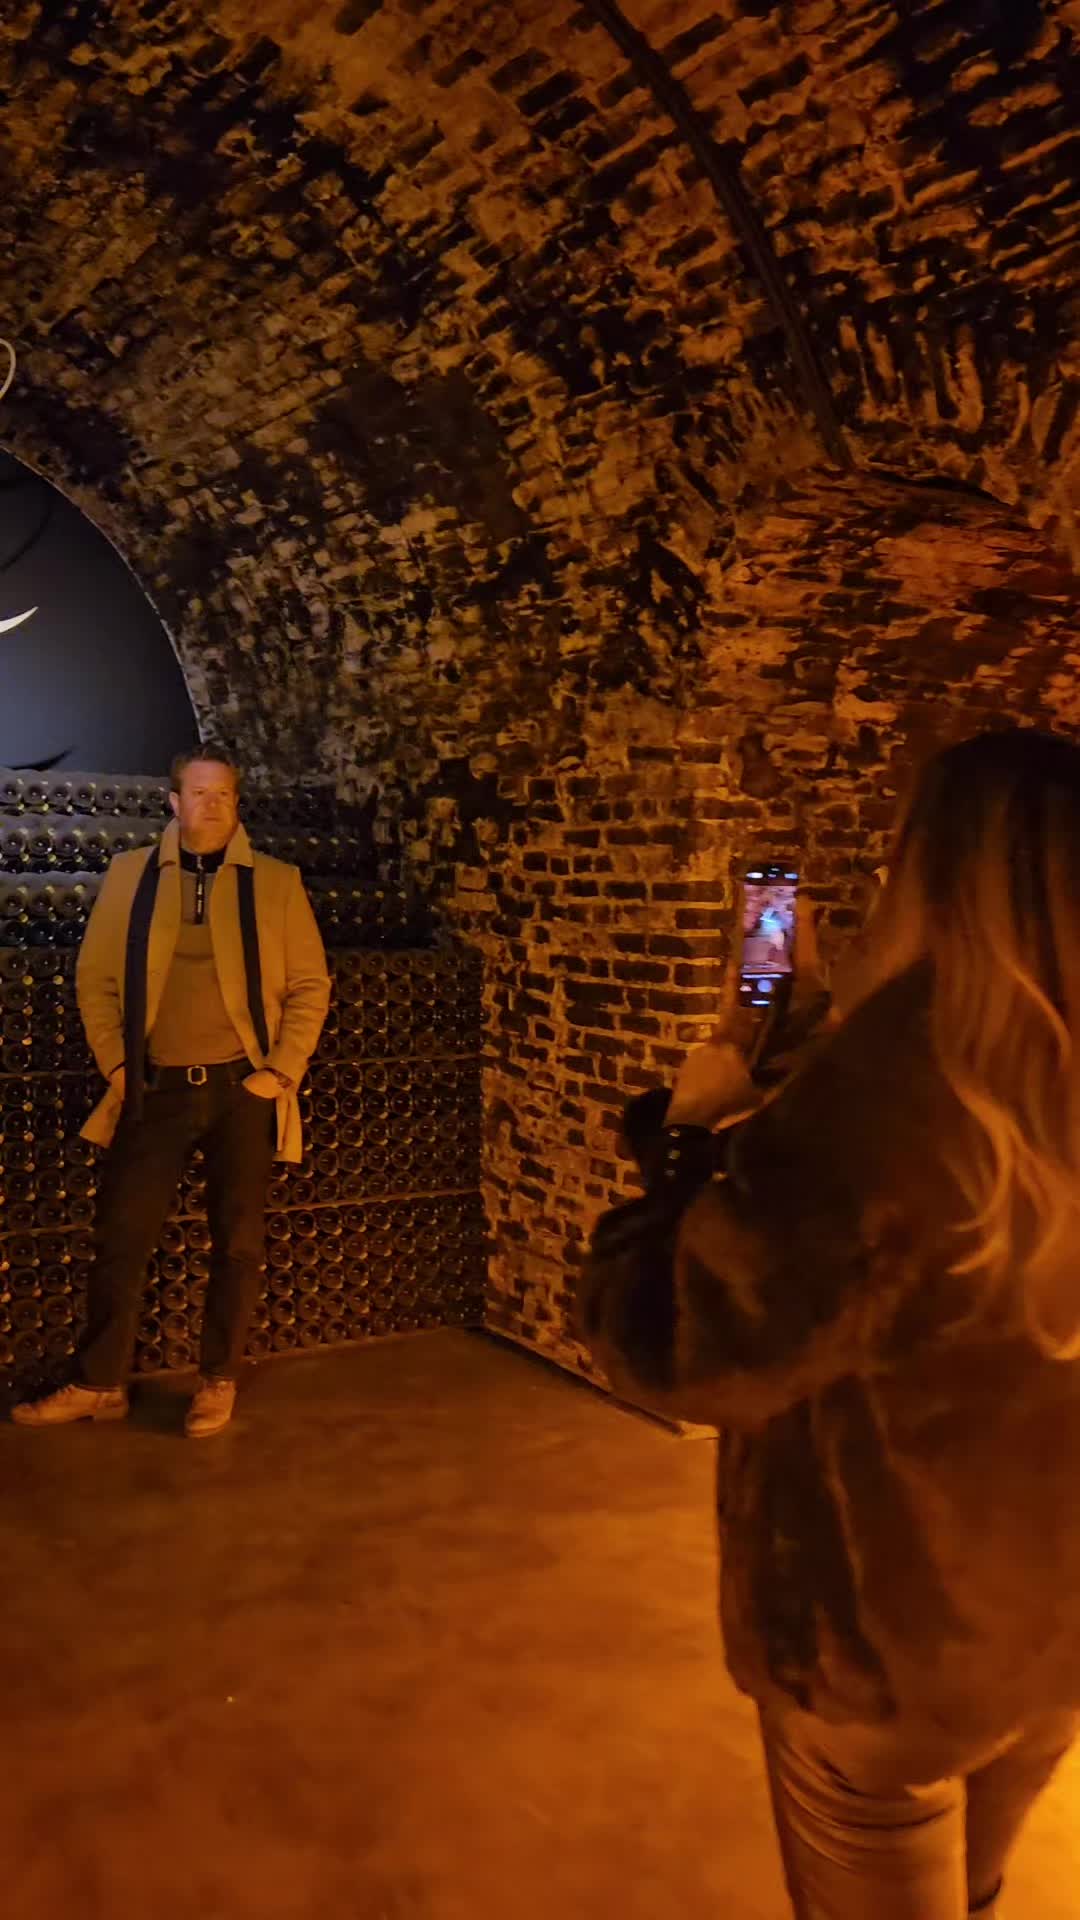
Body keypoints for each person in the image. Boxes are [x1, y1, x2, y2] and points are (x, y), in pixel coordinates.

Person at [581, 727, 1080, 1920]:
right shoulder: (1014, 1072)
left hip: (887, 1650)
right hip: (1052, 1625)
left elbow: (672, 1344)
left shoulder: (894, 1089)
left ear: (937, 866)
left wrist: (690, 1135)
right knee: (976, 1892)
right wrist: (809, 1048)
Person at [13, 750, 331, 1438]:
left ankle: (218, 1380)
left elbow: (311, 984)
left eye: (224, 795)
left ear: (236, 804)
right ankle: (100, 1384)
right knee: (122, 1238)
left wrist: (279, 1073)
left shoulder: (276, 882)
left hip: (241, 1088)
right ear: (174, 803)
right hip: (154, 1086)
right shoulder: (130, 876)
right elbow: (95, 979)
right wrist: (118, 1067)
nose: (212, 805)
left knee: (237, 1242)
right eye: (200, 793)